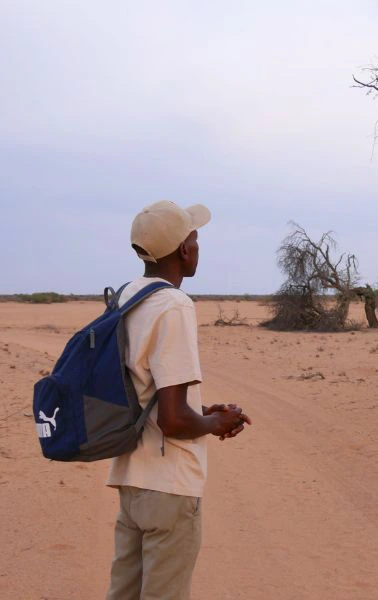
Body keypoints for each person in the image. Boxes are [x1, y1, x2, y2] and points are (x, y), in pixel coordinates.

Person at [106, 200, 251, 600]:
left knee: (123, 593)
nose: (197, 247)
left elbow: (147, 394)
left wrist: (202, 411)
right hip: (168, 486)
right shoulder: (173, 304)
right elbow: (172, 422)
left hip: (131, 477)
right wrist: (214, 424)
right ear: (184, 251)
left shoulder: (126, 296)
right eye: (195, 239)